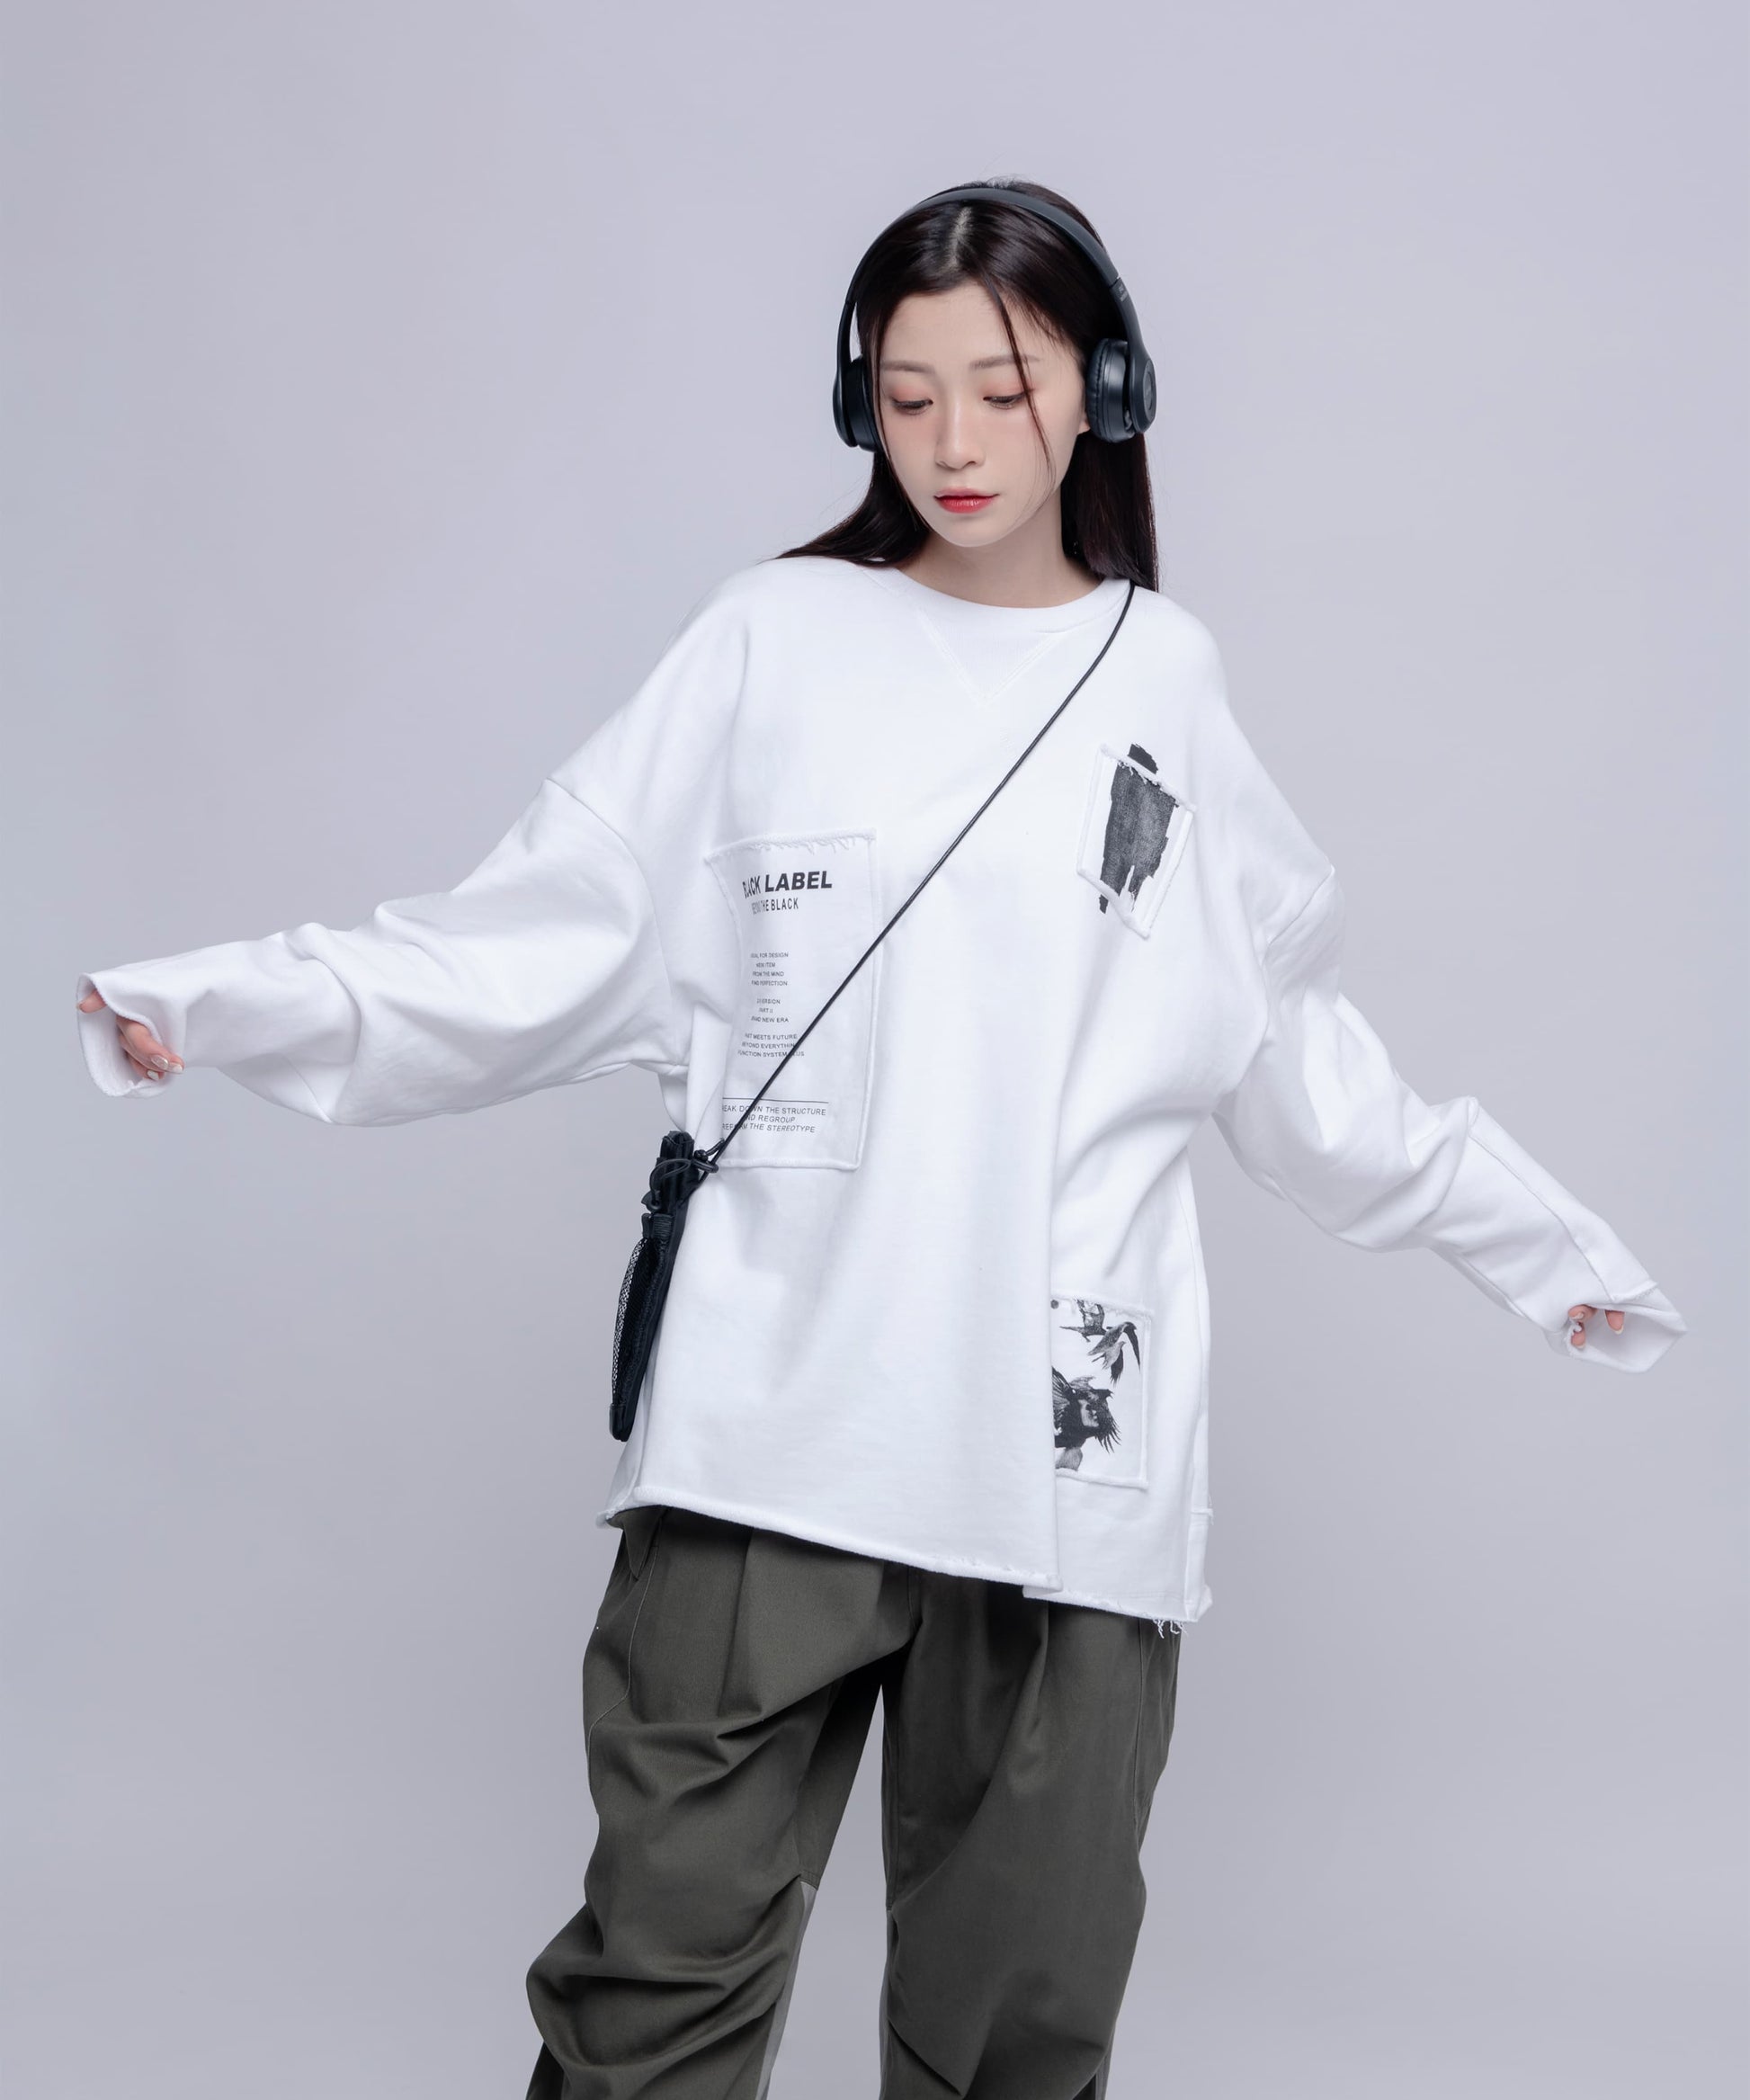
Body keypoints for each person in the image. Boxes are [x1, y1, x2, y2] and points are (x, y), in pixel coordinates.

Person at [74, 179, 1685, 2100]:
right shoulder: (770, 641)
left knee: (1015, 2036)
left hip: (1061, 1464)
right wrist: (228, 1003)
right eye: (908, 396)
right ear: (861, 405)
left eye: (1001, 391)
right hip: (774, 1427)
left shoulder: (1160, 685)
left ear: (1101, 392)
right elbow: (540, 938)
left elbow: (1300, 1063)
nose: (953, 442)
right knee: (650, 1989)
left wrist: (1544, 1253)